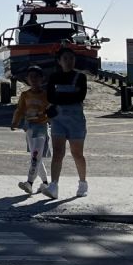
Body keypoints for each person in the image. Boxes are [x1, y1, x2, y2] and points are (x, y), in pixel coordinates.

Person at [46, 47, 89, 198]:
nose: (69, 61)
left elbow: (80, 96)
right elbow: (50, 97)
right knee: (58, 153)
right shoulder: (54, 77)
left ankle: (83, 183)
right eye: (65, 58)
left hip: (76, 121)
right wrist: (68, 96)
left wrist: (61, 98)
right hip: (58, 120)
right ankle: (54, 185)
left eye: (71, 58)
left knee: (77, 154)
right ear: (59, 61)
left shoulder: (80, 77)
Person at [10, 66, 52, 194]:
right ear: (27, 79)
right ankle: (45, 183)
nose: (34, 79)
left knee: (35, 156)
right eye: (31, 77)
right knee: (35, 156)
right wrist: (15, 122)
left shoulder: (46, 95)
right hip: (29, 128)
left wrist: (48, 118)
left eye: (37, 77)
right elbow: (20, 109)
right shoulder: (25, 95)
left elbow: (51, 110)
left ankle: (29, 182)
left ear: (42, 79)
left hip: (41, 128)